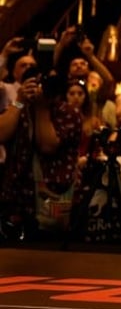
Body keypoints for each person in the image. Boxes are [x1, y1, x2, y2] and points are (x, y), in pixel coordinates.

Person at [0, 69, 81, 238]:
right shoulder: (19, 107)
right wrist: (19, 101)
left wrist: (42, 108)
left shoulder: (68, 112)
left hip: (50, 199)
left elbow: (47, 146)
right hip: (16, 198)